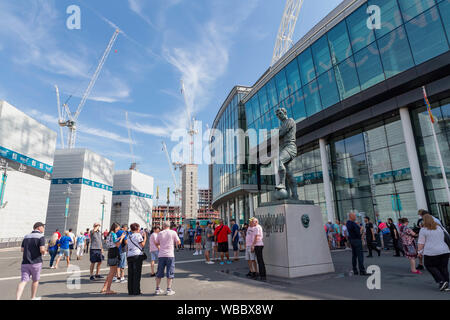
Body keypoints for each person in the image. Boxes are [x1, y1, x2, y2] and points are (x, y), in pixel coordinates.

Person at [418, 214, 450, 291]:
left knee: (429, 266)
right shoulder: (439, 227)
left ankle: (441, 281)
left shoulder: (423, 230)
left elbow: (421, 243)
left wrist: (419, 252)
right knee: (443, 267)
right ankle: (446, 283)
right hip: (444, 250)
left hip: (431, 252)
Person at [16, 222, 46, 300]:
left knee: (23, 281)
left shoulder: (26, 236)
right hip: (36, 262)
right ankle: (33, 297)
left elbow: (22, 249)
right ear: (39, 227)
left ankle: (17, 298)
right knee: (35, 280)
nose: (43, 229)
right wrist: (45, 252)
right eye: (43, 227)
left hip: (25, 262)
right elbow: (42, 249)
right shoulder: (41, 237)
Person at [155, 221, 181, 296]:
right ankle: (168, 289)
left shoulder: (160, 233)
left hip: (161, 255)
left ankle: (157, 289)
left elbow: (156, 243)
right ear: (169, 226)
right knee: (170, 272)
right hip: (170, 255)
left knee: (159, 272)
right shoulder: (173, 232)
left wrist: (160, 247)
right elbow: (178, 242)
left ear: (163, 226)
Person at [101, 223, 126, 294]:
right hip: (114, 252)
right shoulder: (114, 234)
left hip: (110, 252)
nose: (118, 230)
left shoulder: (110, 234)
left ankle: (104, 287)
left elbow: (113, 241)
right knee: (112, 272)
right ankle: (108, 289)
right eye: (118, 228)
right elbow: (117, 244)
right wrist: (121, 238)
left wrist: (120, 237)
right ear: (115, 228)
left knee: (111, 272)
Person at [127, 223, 147, 295]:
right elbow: (142, 245)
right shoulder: (138, 235)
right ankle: (136, 290)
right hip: (137, 255)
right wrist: (145, 238)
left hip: (129, 255)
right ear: (137, 228)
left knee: (130, 274)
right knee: (137, 273)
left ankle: (131, 290)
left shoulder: (129, 236)